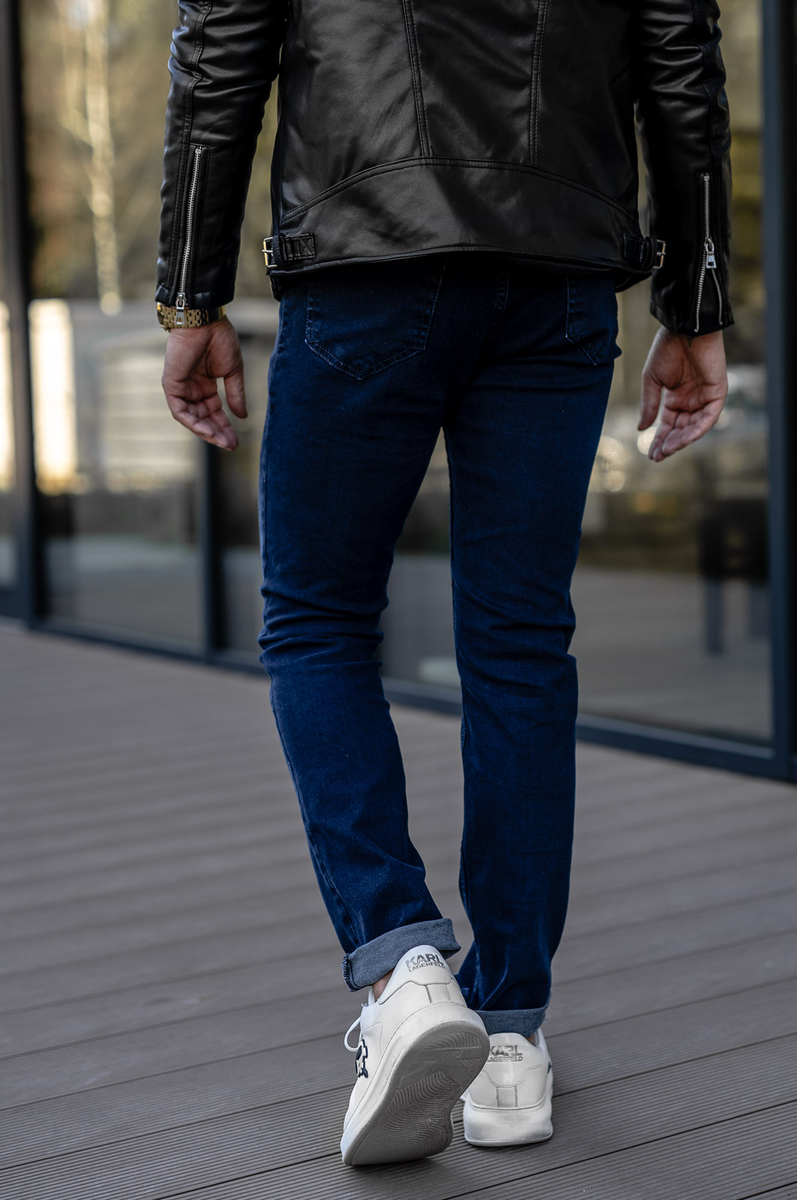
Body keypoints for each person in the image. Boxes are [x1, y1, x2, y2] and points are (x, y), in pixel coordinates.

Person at [157, 0, 732, 1168]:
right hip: (559, 266)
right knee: (520, 644)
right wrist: (696, 302)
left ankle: (404, 966)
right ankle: (511, 1039)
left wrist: (190, 293)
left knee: (317, 623)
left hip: (365, 252)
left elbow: (219, 56)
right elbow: (680, 56)